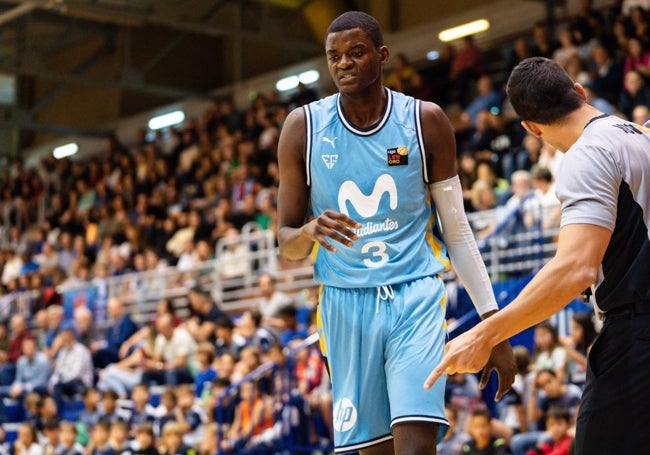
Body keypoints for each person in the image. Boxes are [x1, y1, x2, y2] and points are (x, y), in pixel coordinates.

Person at [276, 11, 515, 454]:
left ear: (382, 56)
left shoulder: (425, 121)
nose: (344, 64)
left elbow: (457, 231)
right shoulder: (302, 128)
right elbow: (286, 243)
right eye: (334, 57)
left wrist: (492, 325)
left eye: (356, 52)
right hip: (344, 304)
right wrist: (308, 230)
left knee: (415, 445)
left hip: (414, 294)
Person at [426, 56, 650, 454]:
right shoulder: (637, 134)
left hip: (637, 333)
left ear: (530, 127)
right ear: (579, 92)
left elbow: (574, 268)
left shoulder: (587, 153)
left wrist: (486, 332)